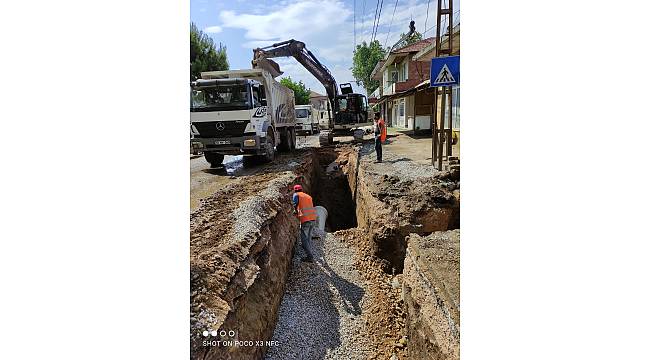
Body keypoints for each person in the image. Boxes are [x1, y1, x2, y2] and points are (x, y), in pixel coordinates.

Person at [292, 184, 317, 262]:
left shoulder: (296, 195)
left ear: (295, 190)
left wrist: (295, 212)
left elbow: (295, 204)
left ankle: (310, 257)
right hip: (313, 218)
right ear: (301, 189)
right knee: (308, 237)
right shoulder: (308, 196)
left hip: (305, 219)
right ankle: (309, 251)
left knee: (304, 240)